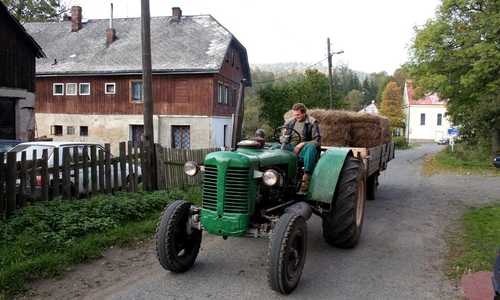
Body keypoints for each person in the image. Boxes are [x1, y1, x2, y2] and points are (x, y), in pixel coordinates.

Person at [274, 103, 322, 192]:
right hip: (291, 147)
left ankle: (306, 176)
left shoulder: (312, 122)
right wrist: (284, 136)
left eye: (298, 114)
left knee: (311, 147)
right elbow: (281, 138)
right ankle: (274, 175)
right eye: (295, 114)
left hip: (304, 149)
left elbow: (318, 140)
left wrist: (303, 144)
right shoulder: (290, 122)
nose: (296, 116)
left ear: (304, 113)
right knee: (274, 147)